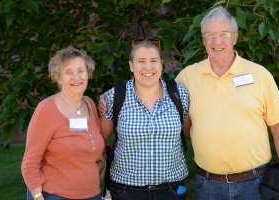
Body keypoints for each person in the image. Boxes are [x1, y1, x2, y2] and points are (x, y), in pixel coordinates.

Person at [175, 6, 279, 200]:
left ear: (235, 38)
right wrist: (108, 99)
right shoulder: (186, 78)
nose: (217, 41)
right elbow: (179, 120)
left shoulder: (259, 75)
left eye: (224, 34)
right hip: (208, 186)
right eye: (210, 35)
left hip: (255, 184)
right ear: (203, 40)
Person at [99, 39, 190, 200]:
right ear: (131, 65)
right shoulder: (116, 96)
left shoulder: (178, 93)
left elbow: (190, 133)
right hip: (127, 191)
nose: (148, 67)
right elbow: (99, 139)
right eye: (141, 61)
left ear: (161, 63)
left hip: (172, 190)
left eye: (153, 61)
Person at [21, 46, 105, 200]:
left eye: (81, 70)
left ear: (88, 73)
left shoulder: (90, 104)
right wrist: (37, 195)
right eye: (68, 72)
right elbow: (30, 163)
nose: (76, 77)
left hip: (92, 194)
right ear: (58, 78)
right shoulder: (46, 109)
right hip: (54, 195)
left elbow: (98, 144)